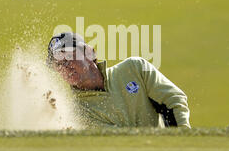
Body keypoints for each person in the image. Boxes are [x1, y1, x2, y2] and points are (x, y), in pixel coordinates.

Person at [47, 32, 191, 129]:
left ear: (88, 52)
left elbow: (173, 100)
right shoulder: (77, 112)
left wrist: (180, 142)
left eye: (69, 57)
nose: (65, 66)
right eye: (58, 64)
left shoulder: (135, 68)